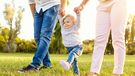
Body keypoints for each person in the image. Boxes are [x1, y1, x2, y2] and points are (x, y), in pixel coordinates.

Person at [74, 0, 127, 76]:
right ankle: (94, 71)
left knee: (118, 38)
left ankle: (117, 72)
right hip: (102, 4)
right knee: (99, 40)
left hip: (118, 2)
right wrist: (82, 4)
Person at [18, 0, 60, 73]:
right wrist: (35, 18)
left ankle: (35, 65)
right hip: (38, 9)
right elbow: (31, 2)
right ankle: (47, 64)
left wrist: (64, 7)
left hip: (52, 5)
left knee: (45, 36)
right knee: (37, 37)